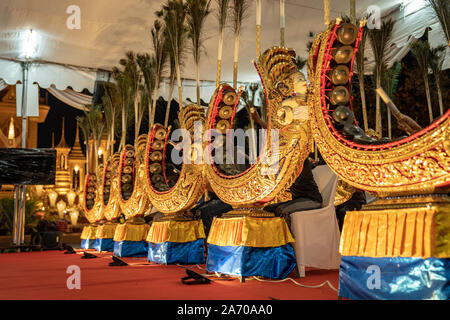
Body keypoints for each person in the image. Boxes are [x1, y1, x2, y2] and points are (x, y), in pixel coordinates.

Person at [264, 157, 323, 230]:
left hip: (312, 200)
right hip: (298, 200)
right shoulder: (288, 162)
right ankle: (274, 236)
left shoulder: (301, 160)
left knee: (282, 210)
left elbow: (284, 181)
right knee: (268, 208)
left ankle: (289, 239)